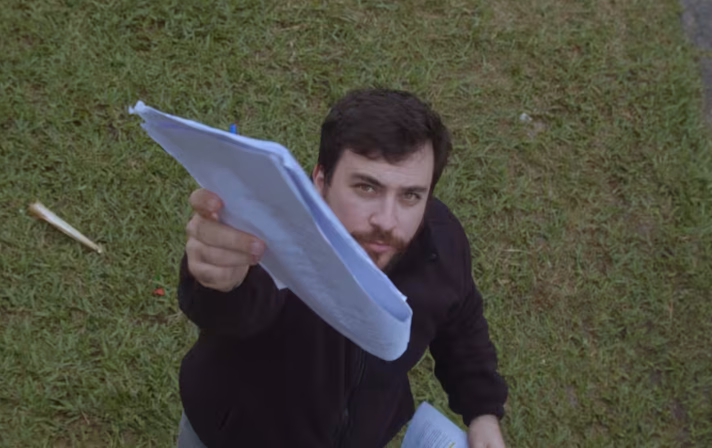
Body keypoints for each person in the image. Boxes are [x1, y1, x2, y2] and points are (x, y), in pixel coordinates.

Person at [175, 88, 508, 447]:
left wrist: (482, 412)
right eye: (367, 187)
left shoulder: (441, 243)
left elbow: (461, 321)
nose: (387, 221)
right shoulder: (269, 238)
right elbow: (228, 311)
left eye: (410, 195)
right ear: (321, 181)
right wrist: (218, 281)